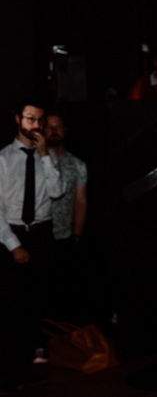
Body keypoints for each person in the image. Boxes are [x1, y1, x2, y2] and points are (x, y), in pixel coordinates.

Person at [0, 99, 65, 393]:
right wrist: (14, 246)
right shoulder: (3, 158)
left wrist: (44, 156)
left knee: (34, 307)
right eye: (30, 119)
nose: (36, 126)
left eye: (39, 120)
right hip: (12, 235)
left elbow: (57, 191)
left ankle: (25, 369)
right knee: (11, 308)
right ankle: (6, 372)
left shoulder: (47, 156)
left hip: (42, 236)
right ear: (18, 119)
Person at [43, 110, 88, 321]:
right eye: (49, 126)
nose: (53, 130)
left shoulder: (78, 164)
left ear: (65, 131)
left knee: (66, 293)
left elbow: (80, 201)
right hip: (39, 236)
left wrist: (76, 236)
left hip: (64, 237)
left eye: (57, 126)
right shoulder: (34, 161)